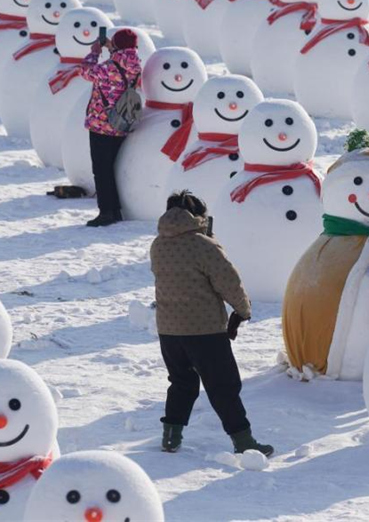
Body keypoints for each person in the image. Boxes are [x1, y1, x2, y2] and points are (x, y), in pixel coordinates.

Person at [150, 190, 273, 456]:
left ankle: (171, 436)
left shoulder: (158, 244)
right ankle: (244, 442)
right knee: (223, 386)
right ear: (198, 216)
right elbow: (229, 280)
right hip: (204, 330)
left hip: (169, 331)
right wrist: (242, 310)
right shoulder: (204, 245)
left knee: (181, 383)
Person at [79, 29, 142, 227]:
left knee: (101, 170)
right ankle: (114, 210)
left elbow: (85, 71)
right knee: (110, 168)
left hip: (101, 124)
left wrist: (95, 51)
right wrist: (112, 48)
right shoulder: (136, 65)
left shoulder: (107, 67)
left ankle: (107, 212)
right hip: (122, 122)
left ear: (116, 45)